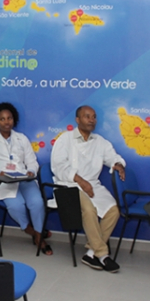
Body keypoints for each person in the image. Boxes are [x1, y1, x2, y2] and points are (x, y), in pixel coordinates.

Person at [51, 105, 124, 273]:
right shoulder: (65, 139)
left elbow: (112, 156)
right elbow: (58, 166)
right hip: (69, 185)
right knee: (89, 210)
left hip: (92, 185)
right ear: (77, 120)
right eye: (87, 116)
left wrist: (118, 164)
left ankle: (91, 252)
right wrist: (80, 181)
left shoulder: (100, 141)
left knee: (113, 211)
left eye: (94, 117)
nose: (91, 120)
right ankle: (103, 255)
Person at [0, 102, 52, 255]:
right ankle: (32, 231)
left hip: (23, 179)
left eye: (9, 118)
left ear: (14, 119)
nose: (6, 122)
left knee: (37, 203)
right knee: (16, 206)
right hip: (3, 181)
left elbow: (31, 160)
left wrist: (31, 171)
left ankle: (39, 236)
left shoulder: (21, 138)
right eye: (2, 119)